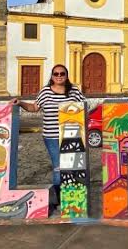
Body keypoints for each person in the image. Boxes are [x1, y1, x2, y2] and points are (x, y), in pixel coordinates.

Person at [12, 65, 85, 203]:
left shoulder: (74, 91)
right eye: (56, 74)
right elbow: (34, 107)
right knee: (59, 167)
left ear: (66, 75)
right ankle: (59, 198)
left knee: (72, 167)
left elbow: (83, 107)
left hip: (71, 136)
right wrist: (20, 102)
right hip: (51, 137)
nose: (59, 76)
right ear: (52, 76)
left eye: (62, 73)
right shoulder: (45, 91)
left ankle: (72, 199)